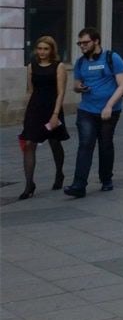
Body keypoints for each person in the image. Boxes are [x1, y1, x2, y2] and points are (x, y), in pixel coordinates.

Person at [64, 28, 123, 198]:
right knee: (85, 145)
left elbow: (122, 84)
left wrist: (109, 105)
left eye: (85, 42)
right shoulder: (80, 63)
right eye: (80, 43)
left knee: (105, 144)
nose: (82, 46)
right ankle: (79, 185)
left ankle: (106, 178)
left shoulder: (111, 58)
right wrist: (78, 88)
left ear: (96, 41)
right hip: (87, 110)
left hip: (109, 110)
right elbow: (76, 85)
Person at [18, 36, 70, 200]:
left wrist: (55, 114)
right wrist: (26, 112)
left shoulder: (58, 66)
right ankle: (29, 184)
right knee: (28, 144)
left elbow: (61, 92)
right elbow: (31, 90)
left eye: (45, 49)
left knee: (54, 142)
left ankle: (59, 173)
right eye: (39, 48)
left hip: (52, 108)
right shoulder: (31, 66)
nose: (42, 52)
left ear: (51, 50)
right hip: (35, 109)